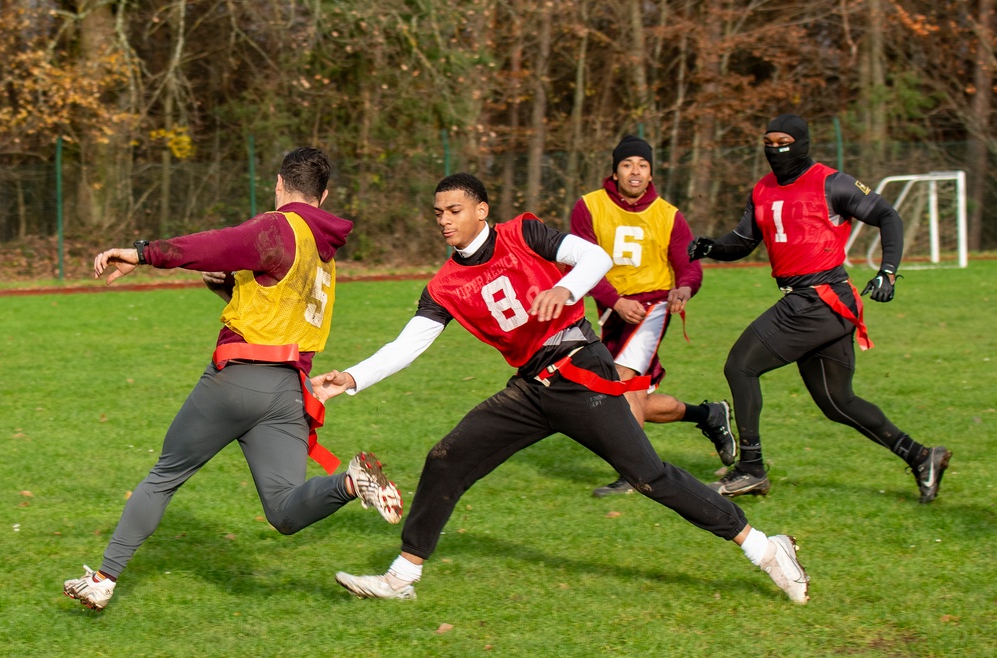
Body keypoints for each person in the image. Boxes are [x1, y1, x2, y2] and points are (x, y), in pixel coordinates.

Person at [311, 172, 810, 604]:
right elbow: (408, 344)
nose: (444, 219)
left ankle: (766, 548)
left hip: (578, 369)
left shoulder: (523, 232)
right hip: (531, 389)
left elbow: (595, 257)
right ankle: (402, 577)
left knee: (648, 476)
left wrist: (566, 287)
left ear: (481, 210)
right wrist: (351, 378)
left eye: (455, 210)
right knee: (447, 459)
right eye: (438, 212)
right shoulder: (443, 284)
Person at [63, 147, 403, 612]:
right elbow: (274, 303)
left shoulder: (277, 226)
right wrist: (227, 287)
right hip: (288, 393)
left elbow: (211, 244)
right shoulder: (322, 255)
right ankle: (349, 482)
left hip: (240, 379)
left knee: (164, 476)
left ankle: (103, 580)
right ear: (322, 196)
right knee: (284, 511)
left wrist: (142, 253)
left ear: (280, 185)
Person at [687, 113, 952, 503]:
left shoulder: (832, 182)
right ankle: (921, 456)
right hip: (814, 303)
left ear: (802, 143)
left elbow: (887, 216)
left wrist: (888, 273)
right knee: (836, 402)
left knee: (740, 366)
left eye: (783, 142)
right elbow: (743, 241)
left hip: (817, 300)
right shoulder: (761, 189)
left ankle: (751, 469)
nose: (775, 150)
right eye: (769, 142)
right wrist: (712, 248)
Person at [570, 135, 736, 497]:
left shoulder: (668, 215)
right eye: (628, 164)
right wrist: (614, 300)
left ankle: (634, 473)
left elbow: (688, 266)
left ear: (650, 172)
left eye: (642, 165)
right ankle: (708, 415)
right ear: (614, 171)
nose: (635, 171)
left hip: (653, 306)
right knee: (636, 399)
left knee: (617, 382)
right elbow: (580, 264)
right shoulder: (589, 207)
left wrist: (684, 289)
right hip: (616, 309)